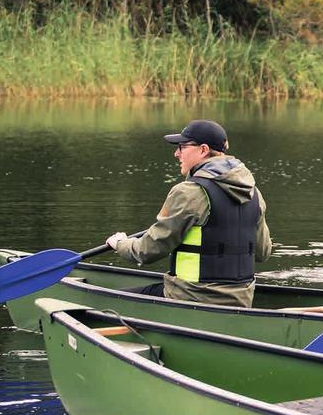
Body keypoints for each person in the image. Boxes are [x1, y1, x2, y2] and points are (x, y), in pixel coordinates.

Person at [106, 118, 272, 308]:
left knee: (108, 301)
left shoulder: (189, 192)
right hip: (241, 300)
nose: (176, 153)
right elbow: (263, 253)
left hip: (191, 298)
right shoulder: (254, 194)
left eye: (182, 147)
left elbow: (148, 251)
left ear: (203, 149)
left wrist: (120, 244)